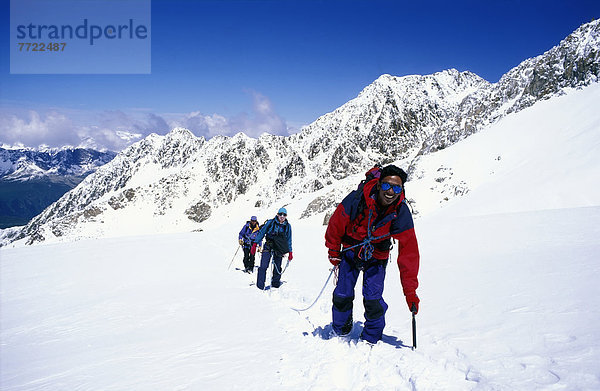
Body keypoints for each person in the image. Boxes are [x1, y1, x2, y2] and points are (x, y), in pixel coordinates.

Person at [325, 164, 420, 344]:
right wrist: (333, 250)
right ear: (378, 185)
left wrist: (411, 293)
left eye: (396, 187)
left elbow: (409, 253)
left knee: (373, 298)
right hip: (350, 252)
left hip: (377, 256)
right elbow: (336, 224)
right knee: (342, 294)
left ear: (401, 190)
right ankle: (340, 330)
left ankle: (371, 336)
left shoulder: (400, 211)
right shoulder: (357, 199)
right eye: (386, 185)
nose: (390, 191)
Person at [253, 207, 293, 290]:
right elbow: (262, 232)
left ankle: (275, 286)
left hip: (279, 248)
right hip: (268, 245)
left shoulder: (287, 226)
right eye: (280, 214)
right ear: (277, 214)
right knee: (263, 266)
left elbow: (289, 239)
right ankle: (260, 286)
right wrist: (255, 243)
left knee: (278, 267)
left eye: (284, 215)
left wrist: (290, 252)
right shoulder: (271, 223)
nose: (282, 216)